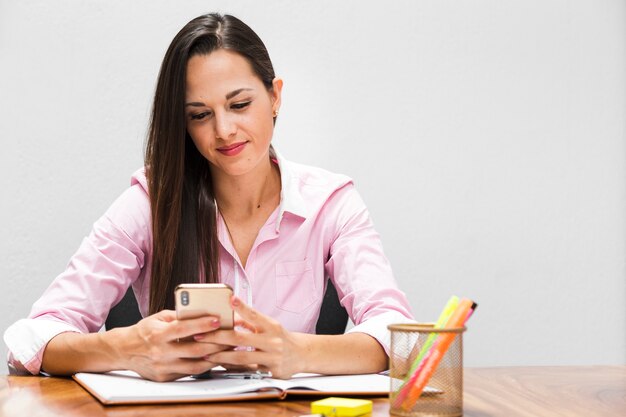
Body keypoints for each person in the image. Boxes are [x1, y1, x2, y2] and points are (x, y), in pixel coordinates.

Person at [3, 13, 413, 382]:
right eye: (200, 114)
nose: (224, 130)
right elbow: (32, 338)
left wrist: (296, 352)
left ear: (275, 97)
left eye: (239, 104)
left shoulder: (332, 204)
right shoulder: (149, 202)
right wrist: (127, 350)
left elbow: (401, 337)